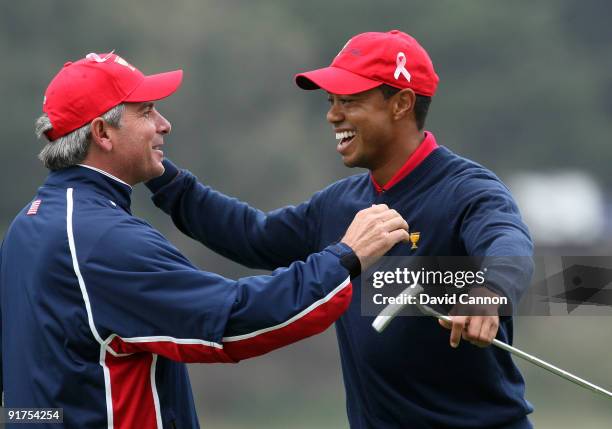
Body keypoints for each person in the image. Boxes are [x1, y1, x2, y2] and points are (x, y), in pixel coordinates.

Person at [145, 31, 535, 428]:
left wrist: (490, 292)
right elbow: (254, 236)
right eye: (331, 102)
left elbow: (509, 242)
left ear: (401, 103)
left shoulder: (467, 189)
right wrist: (163, 178)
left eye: (349, 101)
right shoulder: (340, 204)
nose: (333, 115)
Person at [0, 52, 411, 428]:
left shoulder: (29, 225)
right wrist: (345, 258)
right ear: (102, 134)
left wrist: (476, 293)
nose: (164, 123)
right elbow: (235, 320)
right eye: (146, 112)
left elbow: (26, 394)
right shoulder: (103, 239)